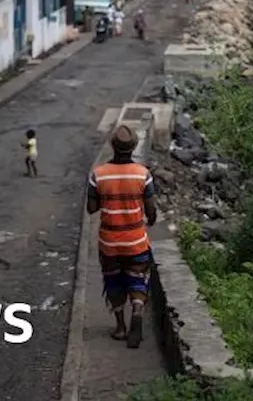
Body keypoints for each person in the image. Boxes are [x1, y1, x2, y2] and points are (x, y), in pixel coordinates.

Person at [87, 125, 159, 348]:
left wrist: (105, 197)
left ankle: (120, 328)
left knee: (113, 282)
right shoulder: (142, 174)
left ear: (112, 145)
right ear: (134, 146)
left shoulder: (98, 174)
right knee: (137, 277)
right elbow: (151, 211)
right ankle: (137, 311)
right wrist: (151, 220)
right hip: (136, 240)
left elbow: (91, 208)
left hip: (109, 242)